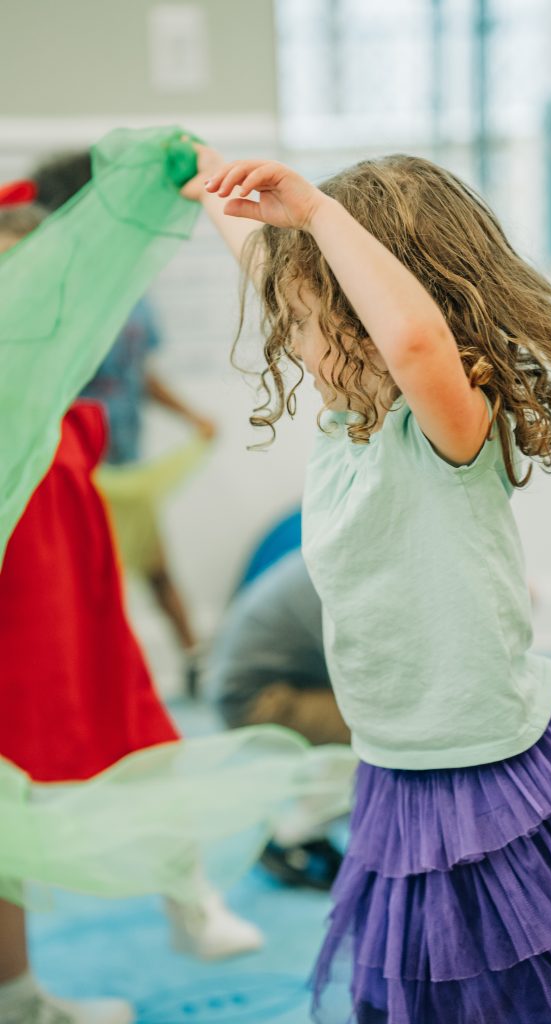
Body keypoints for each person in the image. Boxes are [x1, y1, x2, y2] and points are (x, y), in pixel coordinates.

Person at [181, 148, 551, 1023]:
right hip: (395, 759)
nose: (293, 342)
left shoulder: (449, 425)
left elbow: (413, 340)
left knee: (540, 956)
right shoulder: (346, 424)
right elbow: (265, 259)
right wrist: (207, 180)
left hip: (493, 750)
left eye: (309, 319)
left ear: (376, 314)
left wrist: (321, 217)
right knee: (445, 978)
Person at [0, 206, 263, 1024]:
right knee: (8, 795)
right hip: (21, 602)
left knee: (139, 735)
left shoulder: (61, 392)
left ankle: (188, 898)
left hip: (72, 589)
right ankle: (18, 995)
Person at [33, 151, 217, 697]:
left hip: (125, 460)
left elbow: (140, 371)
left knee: (156, 571)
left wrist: (191, 416)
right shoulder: (54, 289)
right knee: (85, 583)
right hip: (71, 467)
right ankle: (87, 687)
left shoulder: (128, 283)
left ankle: (194, 662)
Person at [207, 514, 348, 891]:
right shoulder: (343, 571)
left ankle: (312, 822)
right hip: (255, 699)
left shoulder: (331, 551)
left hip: (260, 683)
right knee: (382, 733)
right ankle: (293, 835)